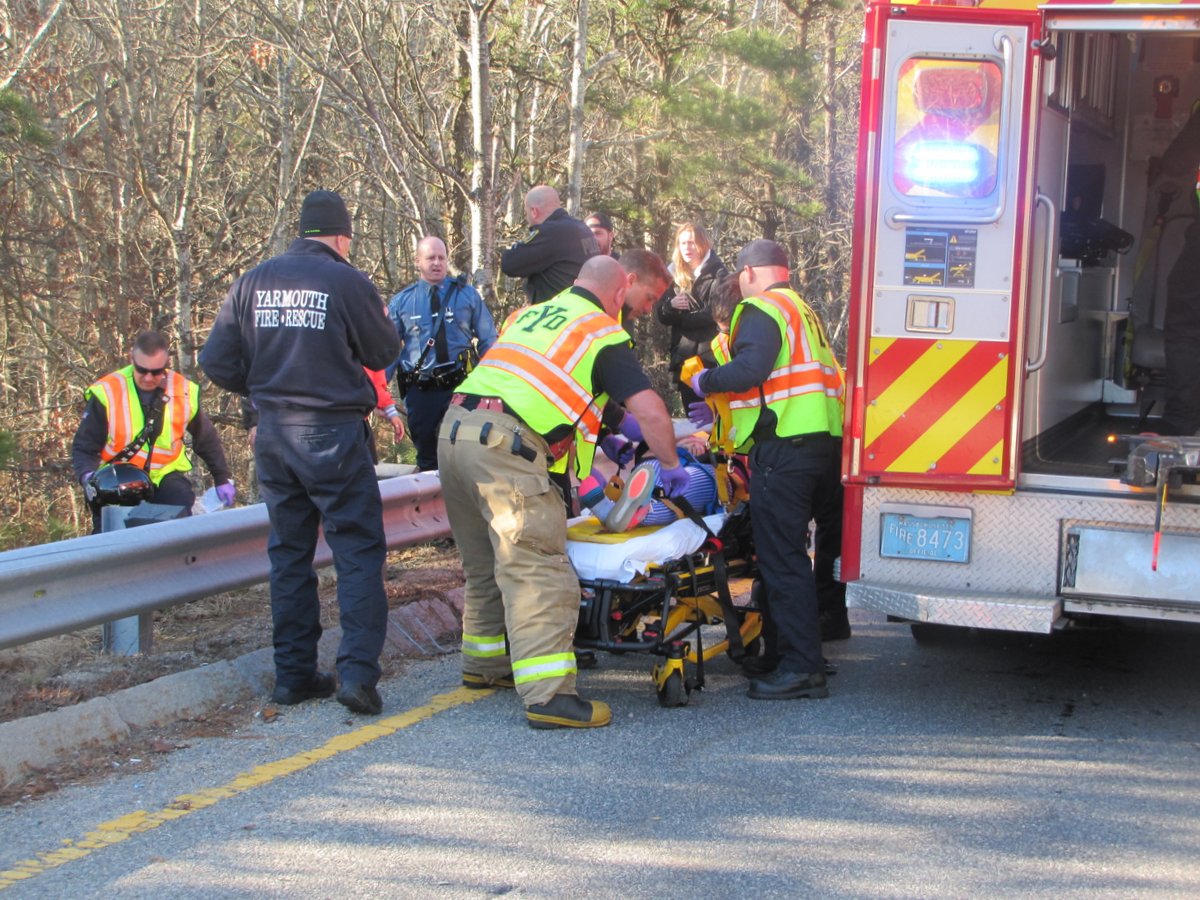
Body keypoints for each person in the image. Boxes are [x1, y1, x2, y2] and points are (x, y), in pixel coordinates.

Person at [438, 255, 689, 729]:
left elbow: (558, 387)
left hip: (454, 435)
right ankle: (549, 697)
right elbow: (653, 412)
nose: (642, 310)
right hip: (503, 446)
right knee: (539, 569)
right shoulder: (601, 330)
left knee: (486, 565)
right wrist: (671, 464)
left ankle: (484, 666)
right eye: (646, 299)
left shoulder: (537, 314)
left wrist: (615, 431)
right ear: (622, 286)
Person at [200, 189, 401, 717]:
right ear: (341, 237)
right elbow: (384, 352)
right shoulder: (345, 280)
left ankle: (292, 675)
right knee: (356, 551)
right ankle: (356, 674)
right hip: (332, 431)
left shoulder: (253, 281)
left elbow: (216, 361)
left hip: (273, 435)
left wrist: (264, 387)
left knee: (289, 555)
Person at [688, 239, 845, 700]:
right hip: (824, 446)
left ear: (749, 273)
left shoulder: (761, 309)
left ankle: (802, 668)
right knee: (791, 555)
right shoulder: (803, 310)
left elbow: (750, 369)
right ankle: (781, 651)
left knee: (782, 559)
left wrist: (704, 380)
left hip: (786, 451)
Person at [72, 330, 234, 533]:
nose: (148, 378)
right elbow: (84, 447)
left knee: (179, 516)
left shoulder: (182, 391)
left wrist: (222, 479)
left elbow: (206, 439)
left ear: (166, 365)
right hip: (118, 482)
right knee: (114, 536)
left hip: (163, 476)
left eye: (156, 372)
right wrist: (89, 479)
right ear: (132, 359)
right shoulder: (108, 392)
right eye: (142, 370)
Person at [387, 236, 497, 470]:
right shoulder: (402, 302)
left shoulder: (466, 295)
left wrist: (491, 381)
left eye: (441, 258)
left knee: (468, 452)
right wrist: (375, 394)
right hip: (422, 389)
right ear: (418, 261)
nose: (437, 263)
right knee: (428, 457)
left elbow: (488, 339)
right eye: (430, 258)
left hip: (462, 387)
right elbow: (388, 351)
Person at [654, 222, 729, 409]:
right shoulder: (672, 274)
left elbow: (716, 313)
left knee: (715, 418)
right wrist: (670, 307)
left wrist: (683, 319)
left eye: (692, 242)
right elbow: (662, 316)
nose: (687, 248)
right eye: (683, 243)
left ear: (703, 244)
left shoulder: (719, 273)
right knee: (693, 417)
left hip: (711, 358)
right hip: (684, 359)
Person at [501, 185, 599, 304]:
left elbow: (509, 263)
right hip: (584, 309)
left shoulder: (550, 232)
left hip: (559, 312)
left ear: (534, 211)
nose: (527, 219)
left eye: (527, 213)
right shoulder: (581, 227)